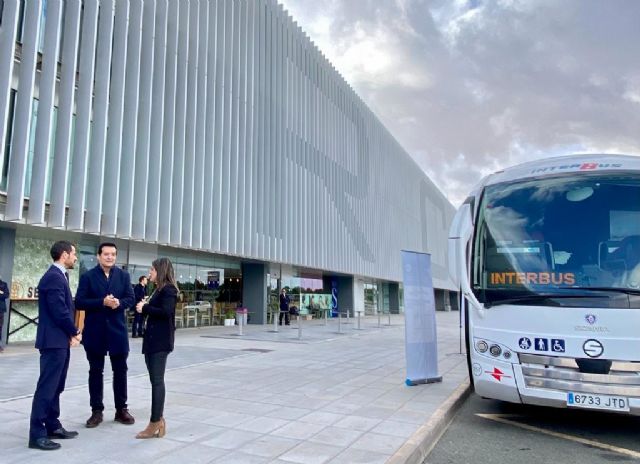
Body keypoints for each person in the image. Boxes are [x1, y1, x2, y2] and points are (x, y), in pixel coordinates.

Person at [28, 241, 82, 451]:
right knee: (47, 387)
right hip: (53, 342)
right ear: (64, 254)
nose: (75, 258)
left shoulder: (60, 276)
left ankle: (52, 425)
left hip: (60, 341)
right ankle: (37, 434)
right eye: (74, 254)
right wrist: (74, 331)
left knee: (57, 386)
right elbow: (59, 311)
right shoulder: (53, 277)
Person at [75, 242, 135, 428]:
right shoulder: (88, 276)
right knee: (95, 372)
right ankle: (96, 411)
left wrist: (119, 303)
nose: (110, 257)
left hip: (117, 332)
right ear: (99, 256)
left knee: (120, 371)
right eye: (106, 254)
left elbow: (131, 299)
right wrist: (102, 302)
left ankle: (121, 409)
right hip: (95, 332)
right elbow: (79, 301)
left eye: (113, 254)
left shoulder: (124, 276)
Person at [134, 257, 178, 439]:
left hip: (160, 342)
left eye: (151, 270)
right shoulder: (157, 290)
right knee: (155, 381)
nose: (149, 273)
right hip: (152, 341)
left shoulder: (169, 290)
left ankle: (155, 421)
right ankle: (158, 420)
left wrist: (145, 308)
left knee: (157, 381)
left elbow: (166, 312)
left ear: (160, 271)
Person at [0, 276, 8, 353]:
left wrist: (1, 292)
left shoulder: (3, 284)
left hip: (0, 309)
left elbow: (6, 295)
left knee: (0, 327)